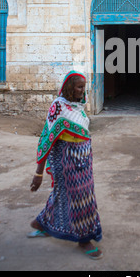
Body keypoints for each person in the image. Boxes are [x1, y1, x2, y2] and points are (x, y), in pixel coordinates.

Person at [29, 71, 103, 260]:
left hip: (83, 161)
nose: (82, 91)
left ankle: (42, 223)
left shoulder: (78, 107)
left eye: (83, 87)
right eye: (79, 87)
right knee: (80, 198)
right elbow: (47, 139)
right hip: (66, 162)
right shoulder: (58, 107)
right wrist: (38, 174)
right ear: (70, 87)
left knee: (64, 194)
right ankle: (84, 239)